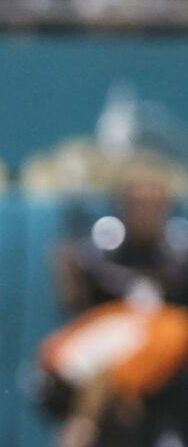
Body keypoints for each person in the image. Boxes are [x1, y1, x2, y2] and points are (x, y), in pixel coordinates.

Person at [41, 164, 188, 447]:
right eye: (138, 203)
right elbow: (78, 310)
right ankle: (83, 426)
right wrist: (69, 277)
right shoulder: (98, 253)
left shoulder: (181, 258)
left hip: (168, 372)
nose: (146, 212)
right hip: (106, 358)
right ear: (122, 206)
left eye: (154, 203)